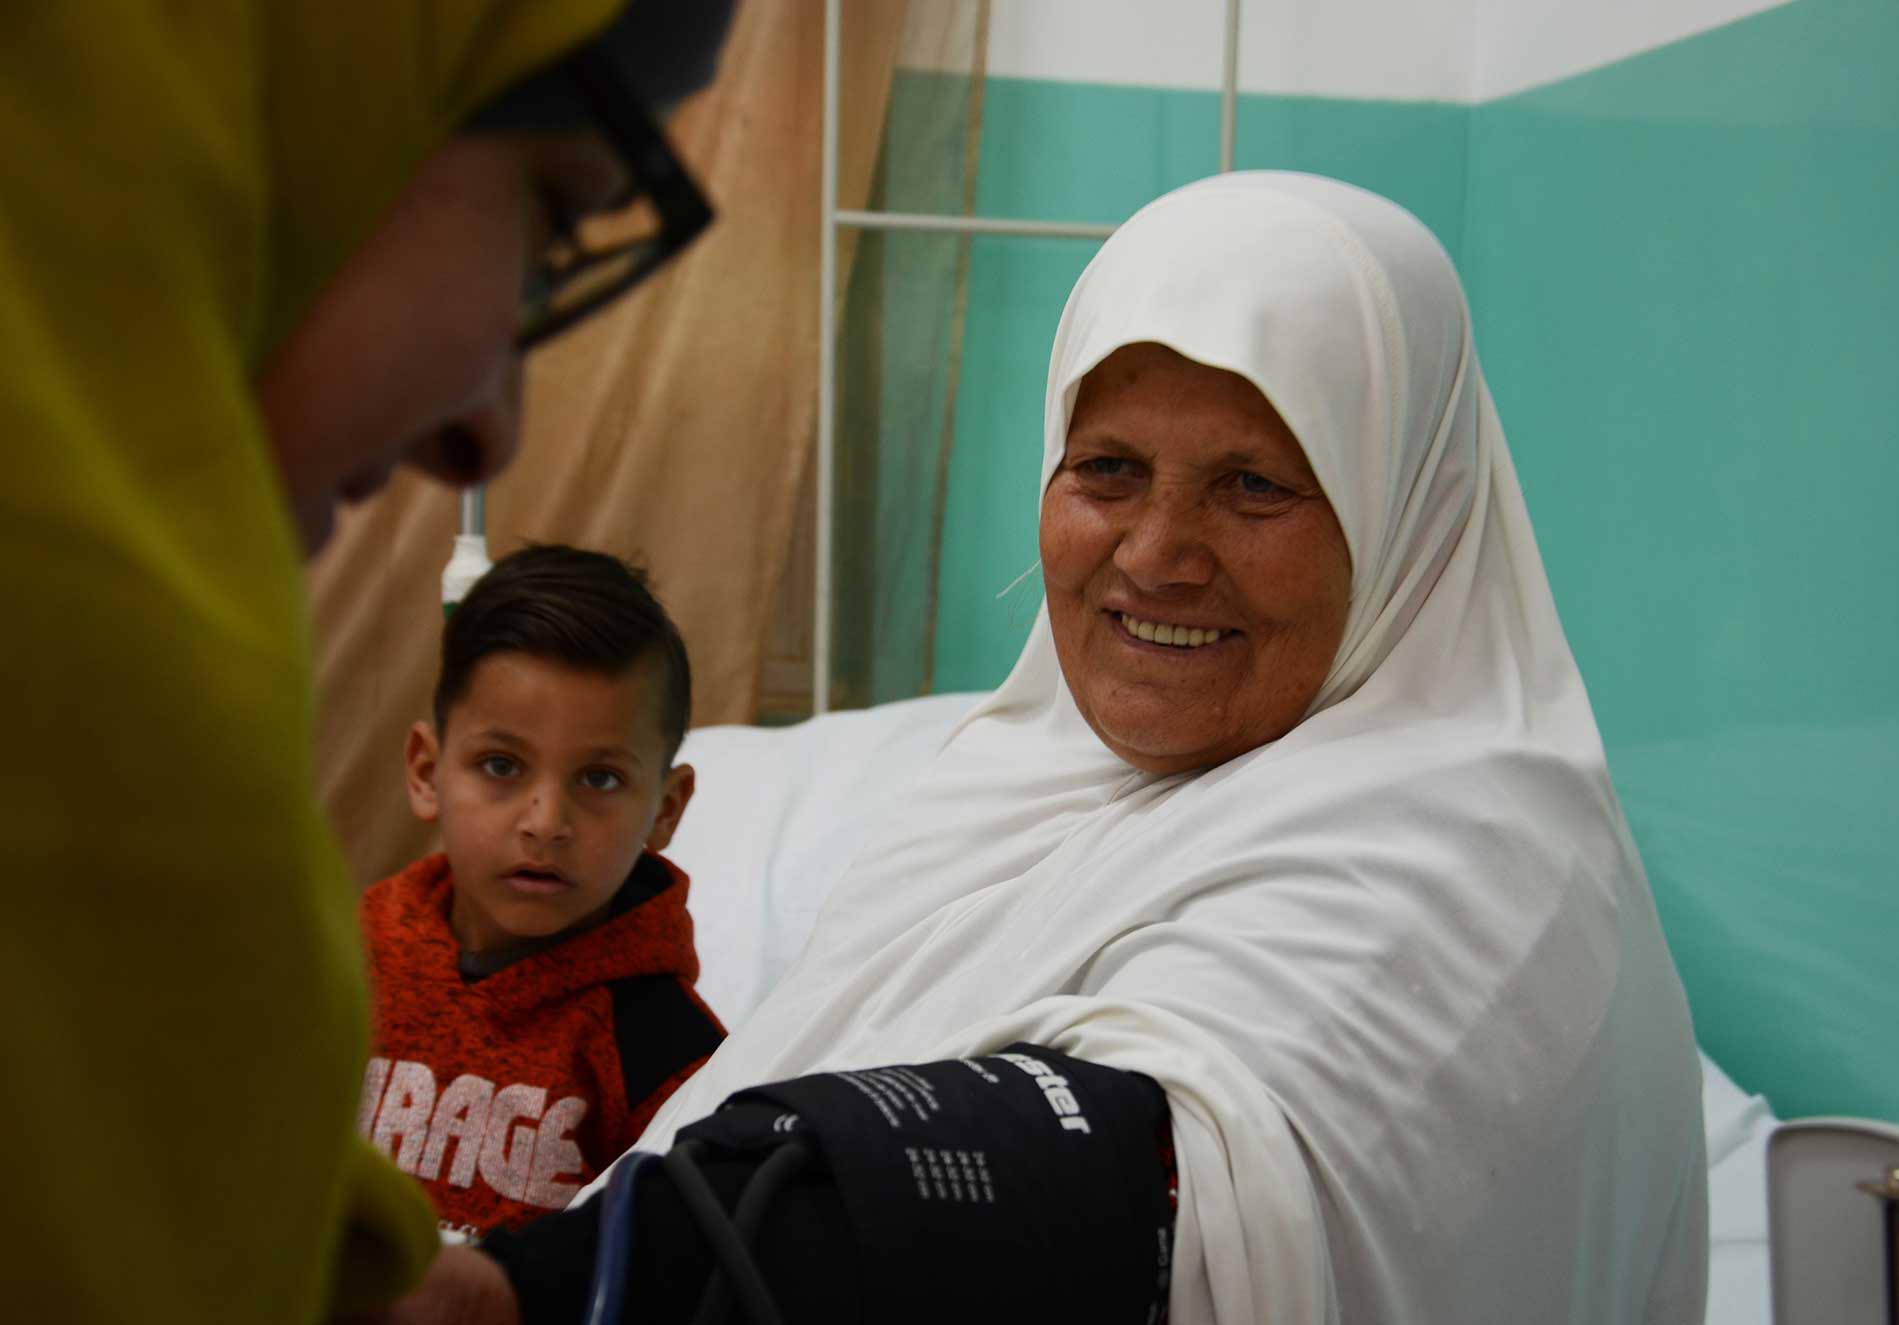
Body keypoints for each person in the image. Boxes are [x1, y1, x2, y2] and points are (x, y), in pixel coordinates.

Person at [392, 171, 1709, 1324]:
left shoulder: (1476, 844)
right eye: (1108, 470)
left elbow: (1120, 1179)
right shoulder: (1006, 794)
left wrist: (549, 1290)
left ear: (1404, 510)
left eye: (1254, 483)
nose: (1155, 556)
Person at [0, 2, 734, 1320]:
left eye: (602, 781)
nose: (487, 433)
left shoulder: (657, 1042)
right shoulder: (95, 683)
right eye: (548, 226)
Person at [359, 545, 722, 1240]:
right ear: (427, 772)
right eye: (501, 765)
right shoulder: (346, 966)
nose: (546, 822)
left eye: (600, 779)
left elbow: (682, 1263)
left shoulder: (666, 1048)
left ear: (666, 809)